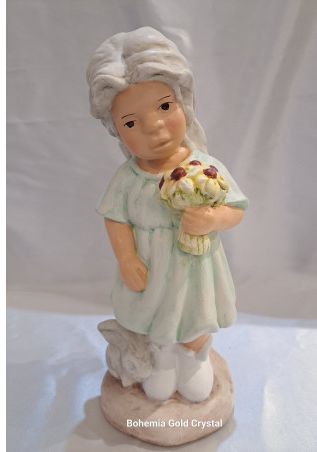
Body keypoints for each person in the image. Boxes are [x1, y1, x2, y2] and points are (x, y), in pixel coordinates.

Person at [87, 27, 248, 402]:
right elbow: (115, 217)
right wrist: (127, 258)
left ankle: (193, 358)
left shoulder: (205, 167)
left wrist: (213, 219)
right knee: (155, 317)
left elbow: (235, 209)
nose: (154, 127)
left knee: (194, 317)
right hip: (152, 268)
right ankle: (161, 357)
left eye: (164, 107)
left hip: (195, 269)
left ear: (183, 103)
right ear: (116, 129)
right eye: (131, 122)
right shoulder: (128, 178)